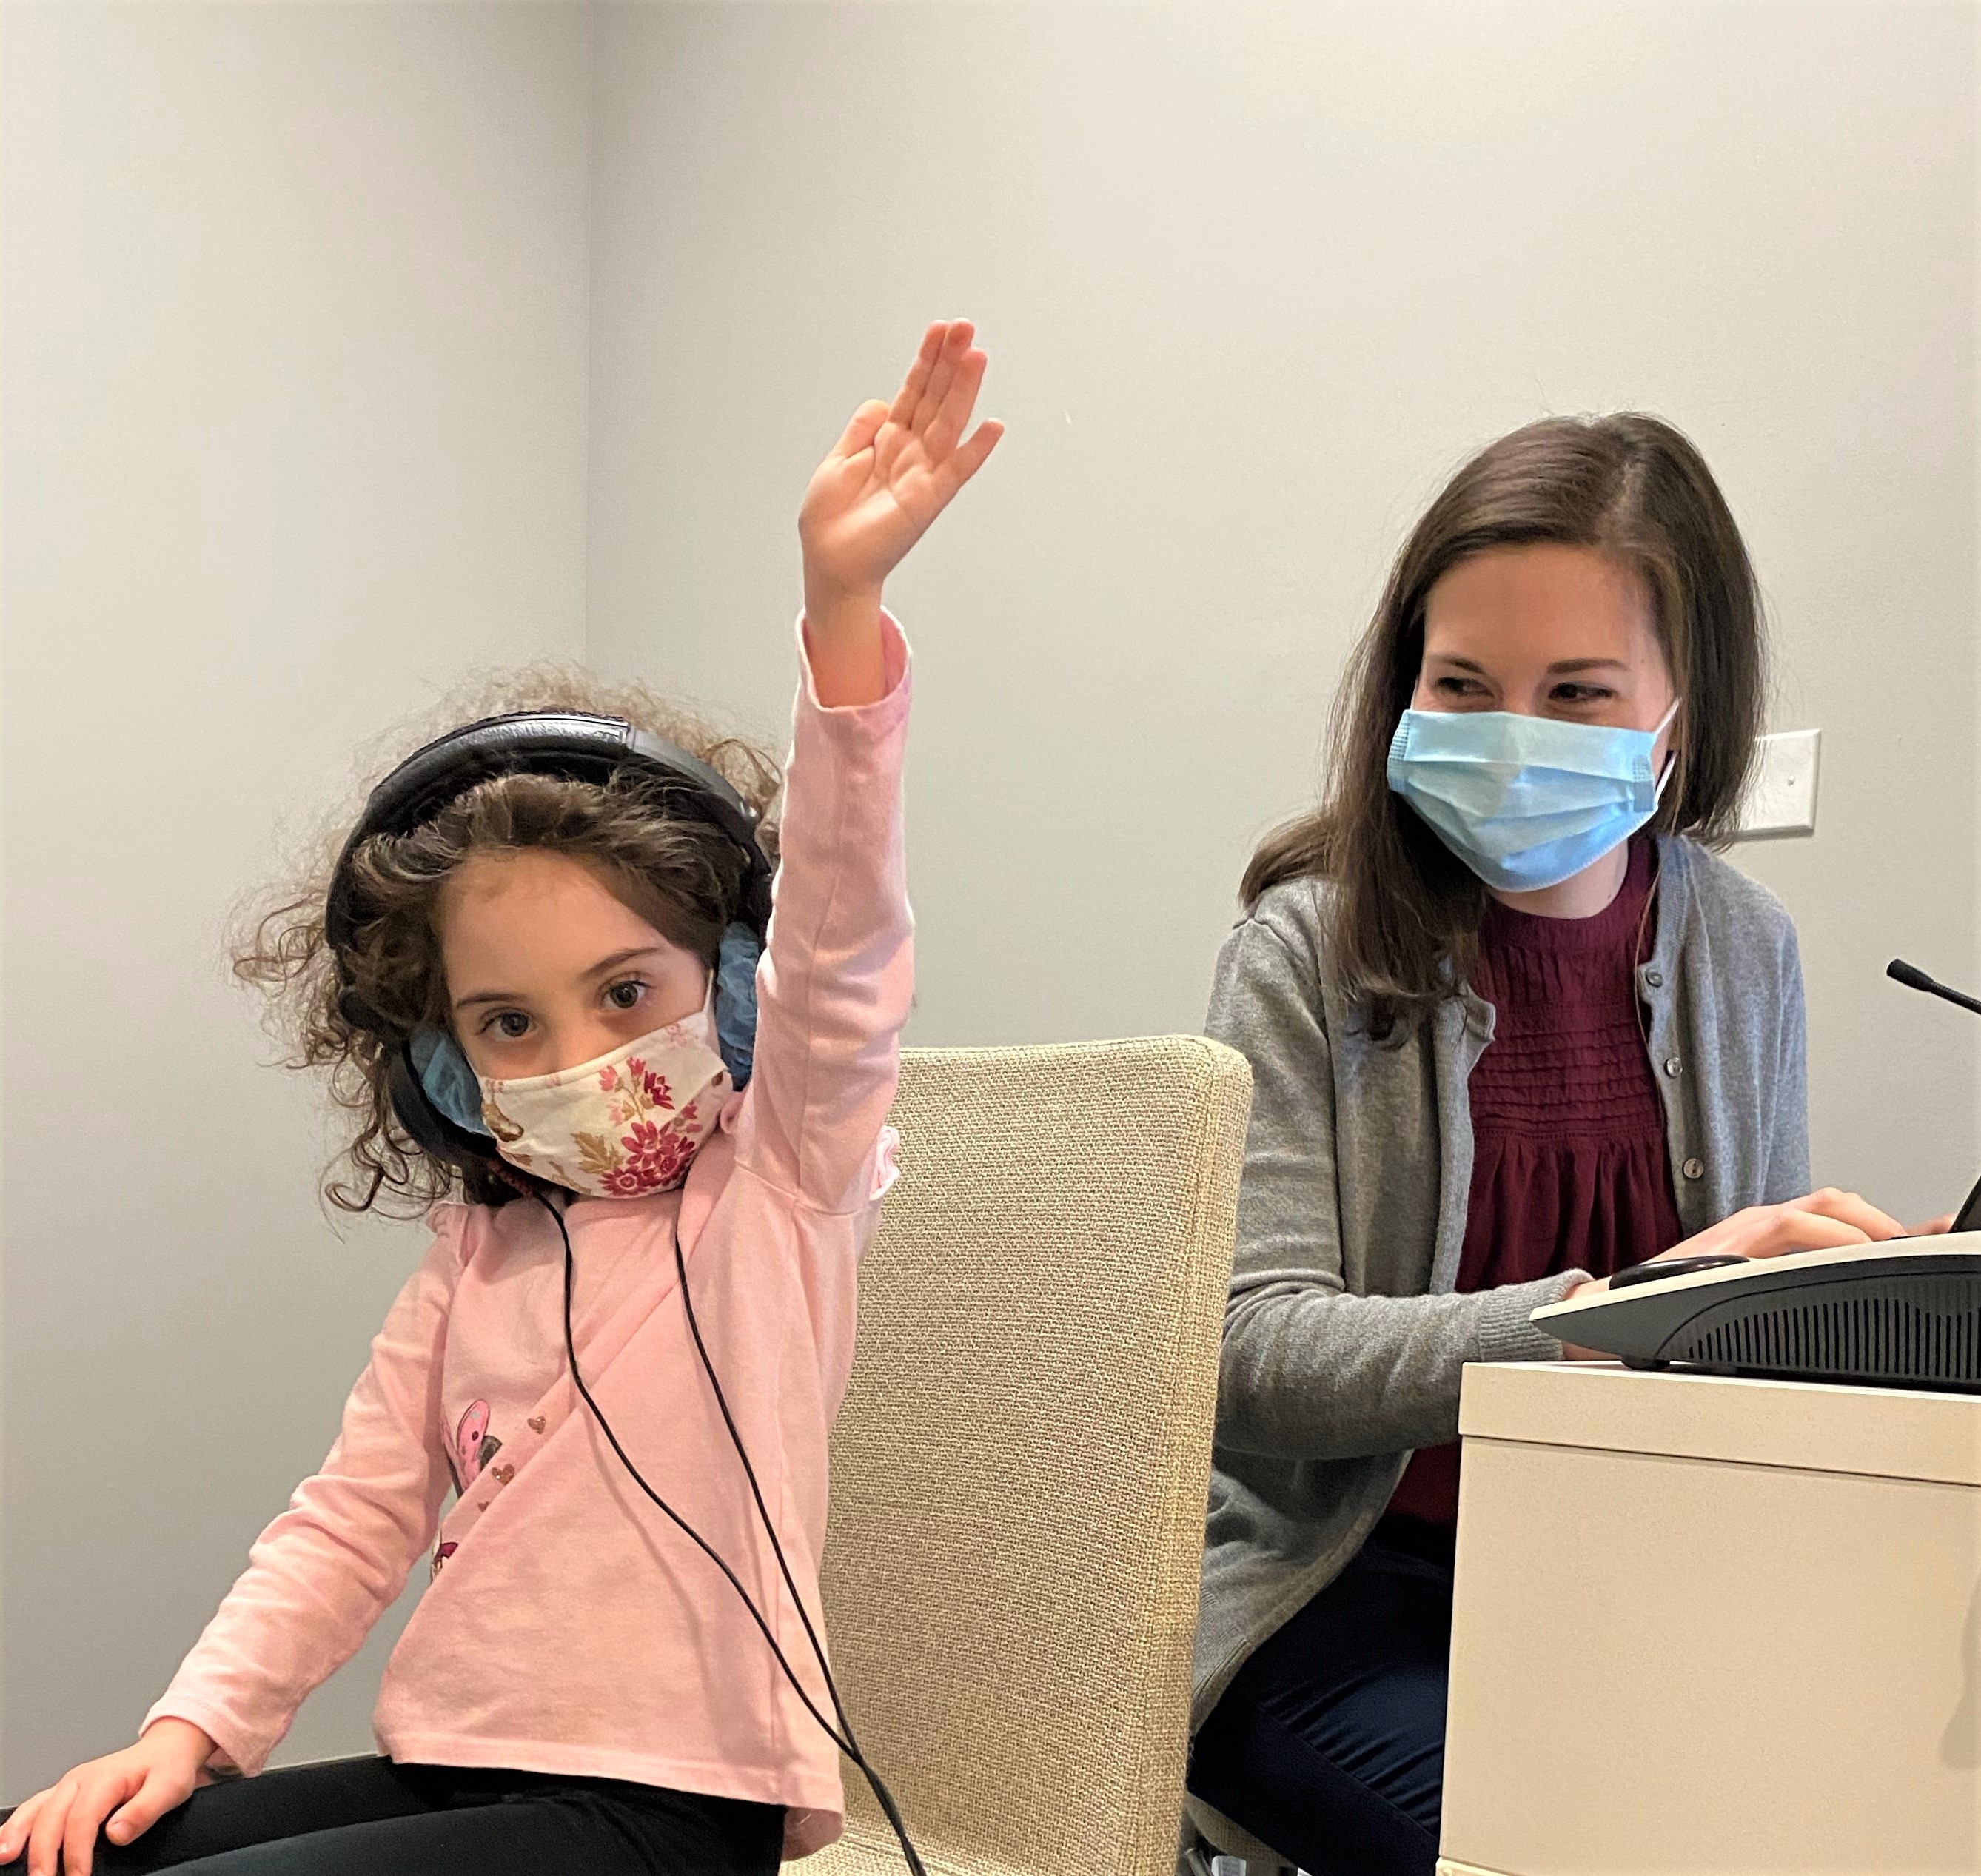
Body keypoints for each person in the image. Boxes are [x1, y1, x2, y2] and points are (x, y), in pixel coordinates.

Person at [0, 320, 1002, 1876]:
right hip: (460, 1770)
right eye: (509, 1022)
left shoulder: (780, 1184)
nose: (578, 1054)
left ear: (729, 986)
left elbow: (847, 946)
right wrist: (183, 1734)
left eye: (626, 992)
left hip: (674, 1806)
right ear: (445, 1064)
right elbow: (346, 1519)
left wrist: (843, 613)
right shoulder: (475, 1259)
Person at [1184, 413, 1945, 1876]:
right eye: (1464, 685)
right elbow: (1252, 1359)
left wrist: (1839, 1304)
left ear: (1681, 716)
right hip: (1331, 1595)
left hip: (1644, 1572)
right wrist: (1612, 1318)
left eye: (1578, 691)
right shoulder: (1303, 950)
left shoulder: (1742, 950)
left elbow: (1737, 1349)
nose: (1513, 732)